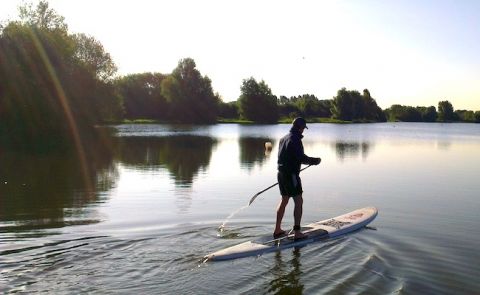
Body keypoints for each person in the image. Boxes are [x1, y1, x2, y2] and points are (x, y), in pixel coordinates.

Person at [274, 117, 321, 240]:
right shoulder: (295, 139)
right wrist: (315, 161)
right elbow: (301, 158)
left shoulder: (283, 138)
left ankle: (277, 229)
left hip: (281, 173)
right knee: (298, 201)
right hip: (291, 175)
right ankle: (297, 232)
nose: (303, 131)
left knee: (284, 200)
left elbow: (285, 157)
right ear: (300, 128)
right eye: (303, 128)